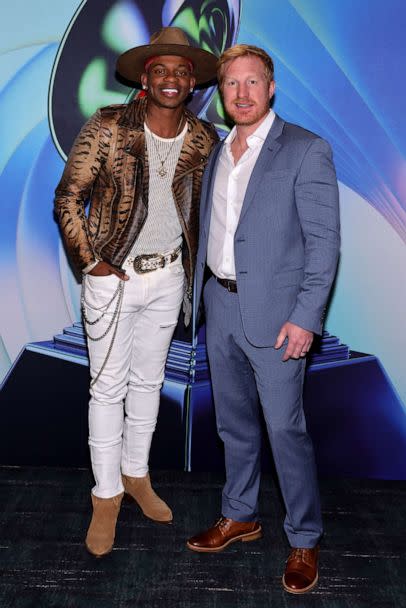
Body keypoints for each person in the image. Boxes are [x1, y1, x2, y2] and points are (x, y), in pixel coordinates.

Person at [54, 27, 218, 557]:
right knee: (107, 389)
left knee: (149, 383)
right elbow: (68, 197)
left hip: (169, 276)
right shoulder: (108, 126)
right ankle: (105, 498)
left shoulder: (203, 138)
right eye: (160, 70)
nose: (171, 78)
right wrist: (92, 263)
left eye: (180, 71)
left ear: (192, 82)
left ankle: (136, 477)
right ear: (145, 79)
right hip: (113, 280)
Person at [187, 44, 340, 594]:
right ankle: (240, 513)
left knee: (285, 429)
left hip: (280, 318)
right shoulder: (217, 152)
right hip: (220, 306)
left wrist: (306, 317)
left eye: (253, 82)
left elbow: (324, 245)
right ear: (222, 92)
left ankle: (304, 539)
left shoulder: (306, 149)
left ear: (271, 87)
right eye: (232, 84)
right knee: (235, 427)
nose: (243, 93)